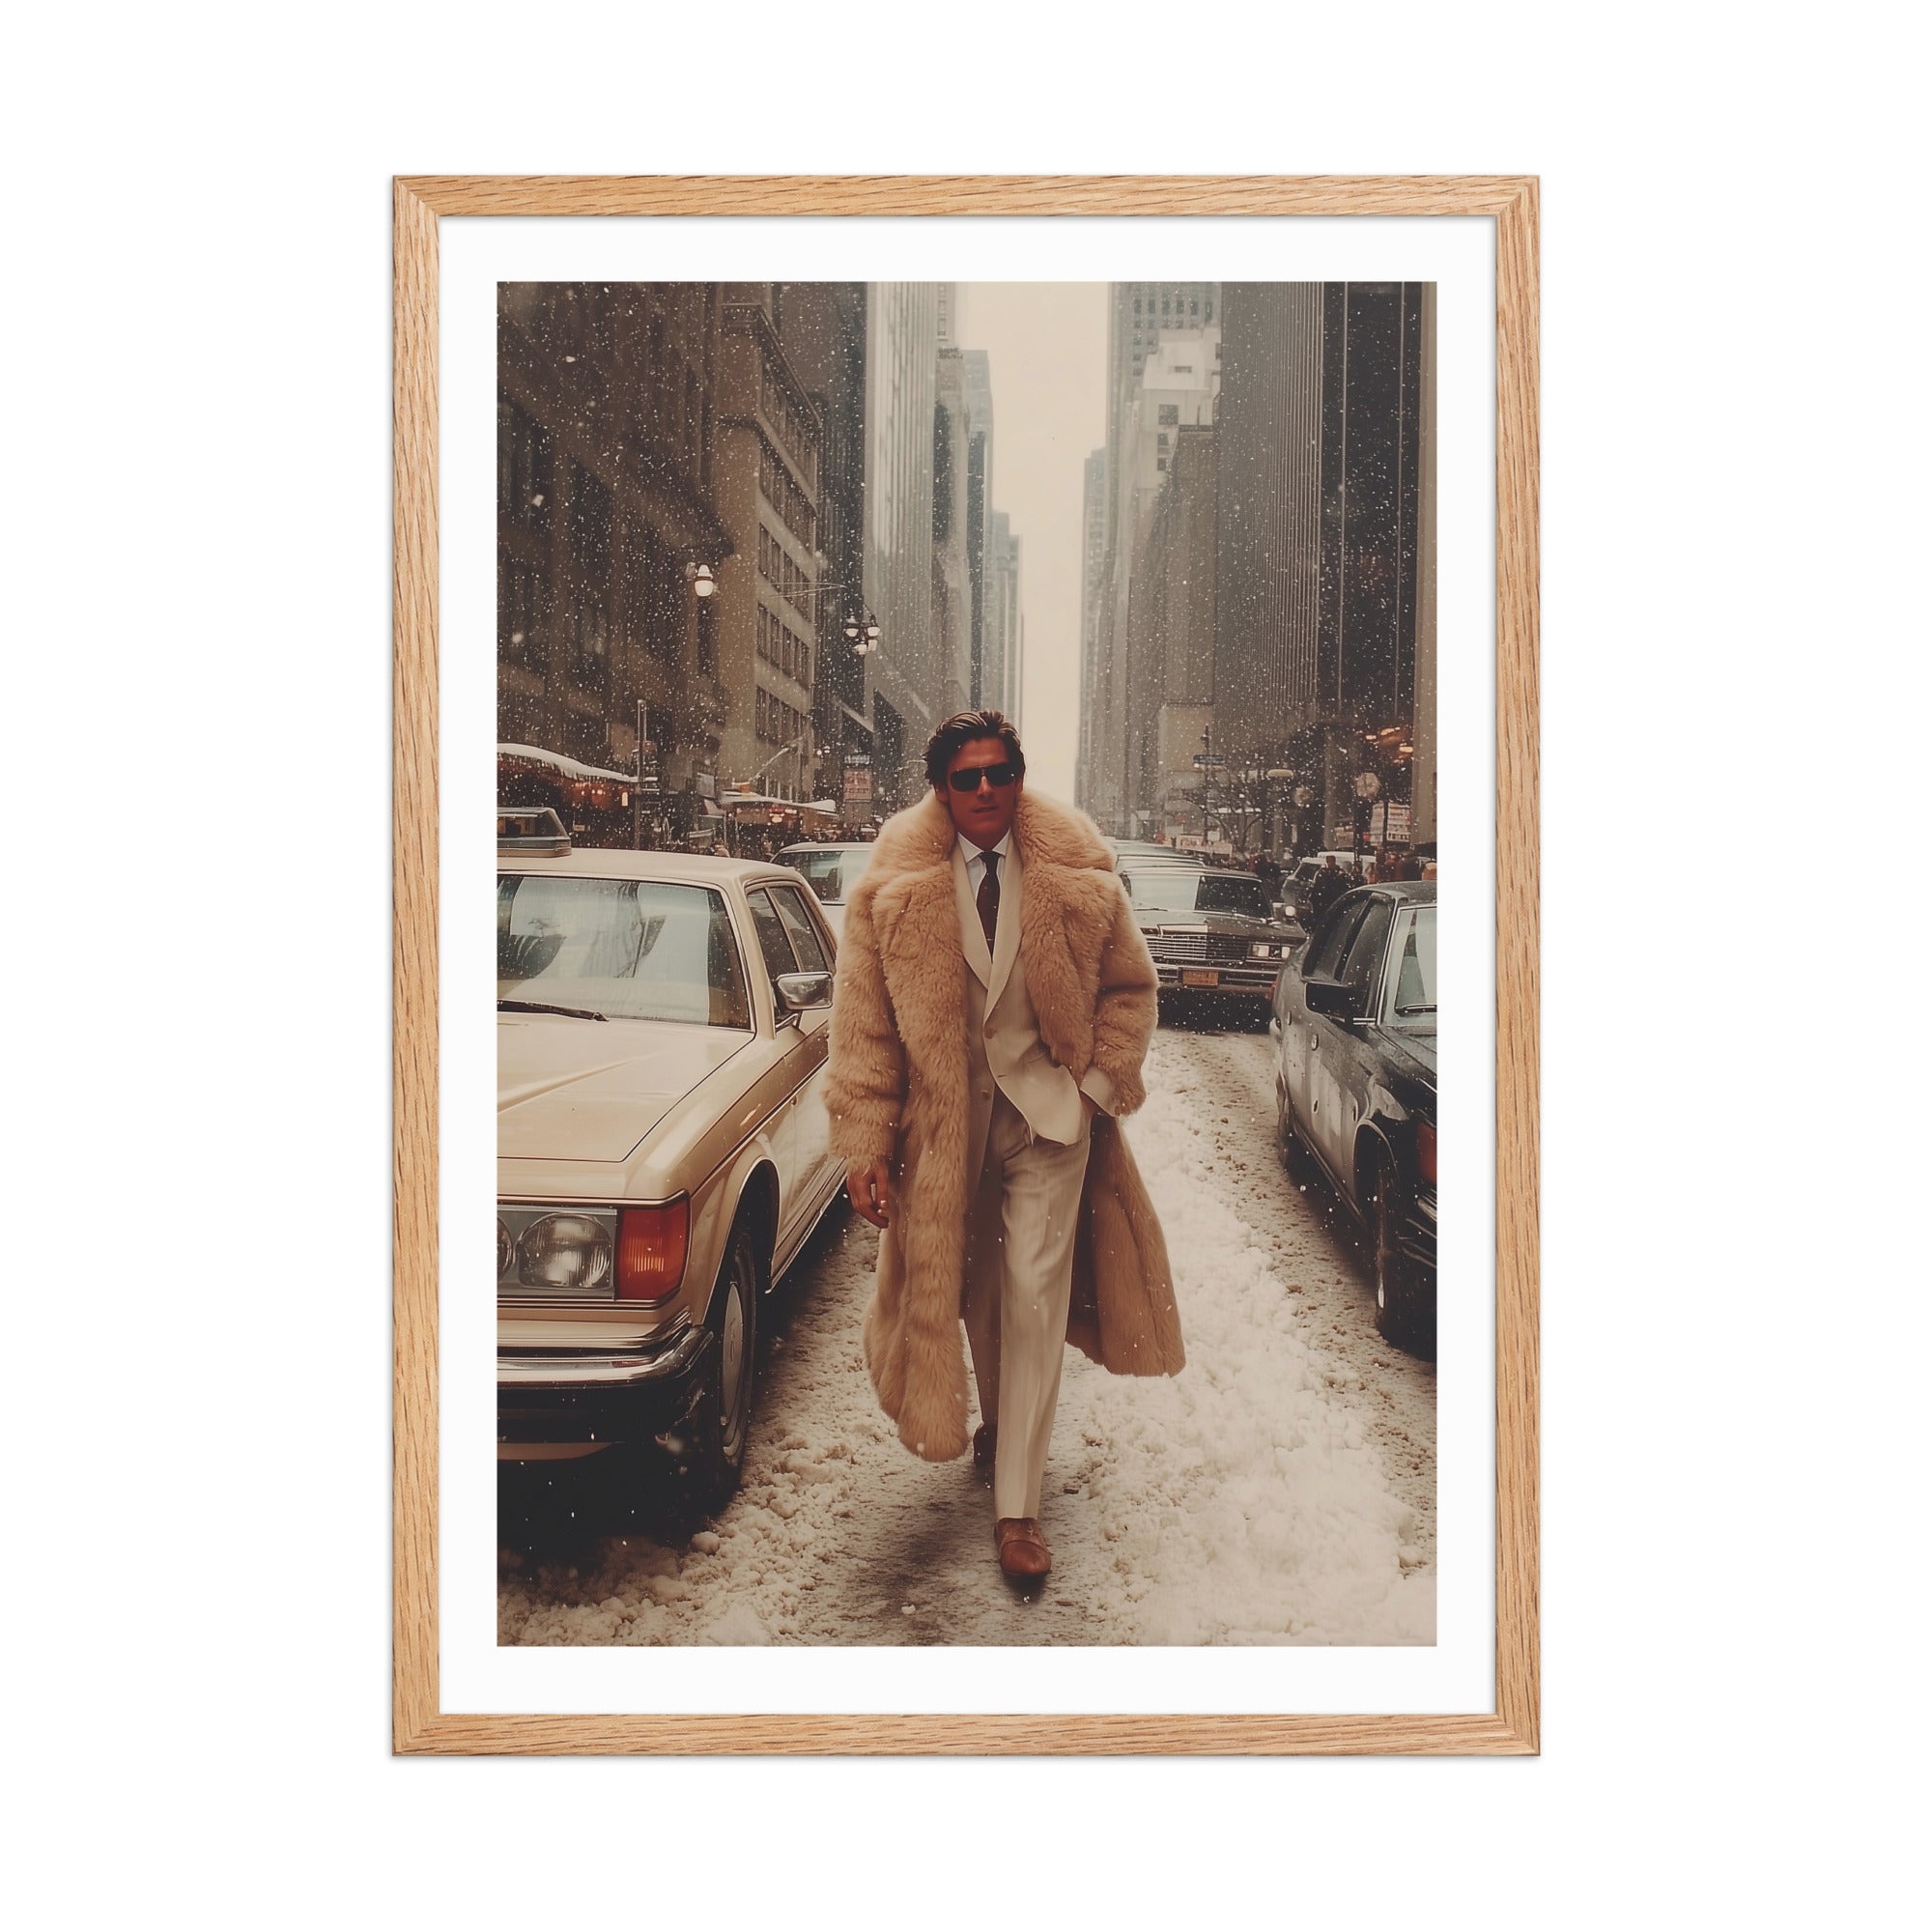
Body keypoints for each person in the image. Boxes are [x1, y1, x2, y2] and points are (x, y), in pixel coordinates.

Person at [825, 709, 1184, 1584]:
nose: (985, 790)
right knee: (981, 1298)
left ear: (1019, 777)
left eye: (999, 772)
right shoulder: (895, 883)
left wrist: (1096, 1093)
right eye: (966, 777)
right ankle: (996, 1426)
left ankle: (1019, 1510)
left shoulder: (1078, 869)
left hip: (1049, 1124)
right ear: (940, 789)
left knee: (1032, 1300)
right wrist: (866, 1144)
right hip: (946, 1132)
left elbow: (1130, 990)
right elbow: (864, 1027)